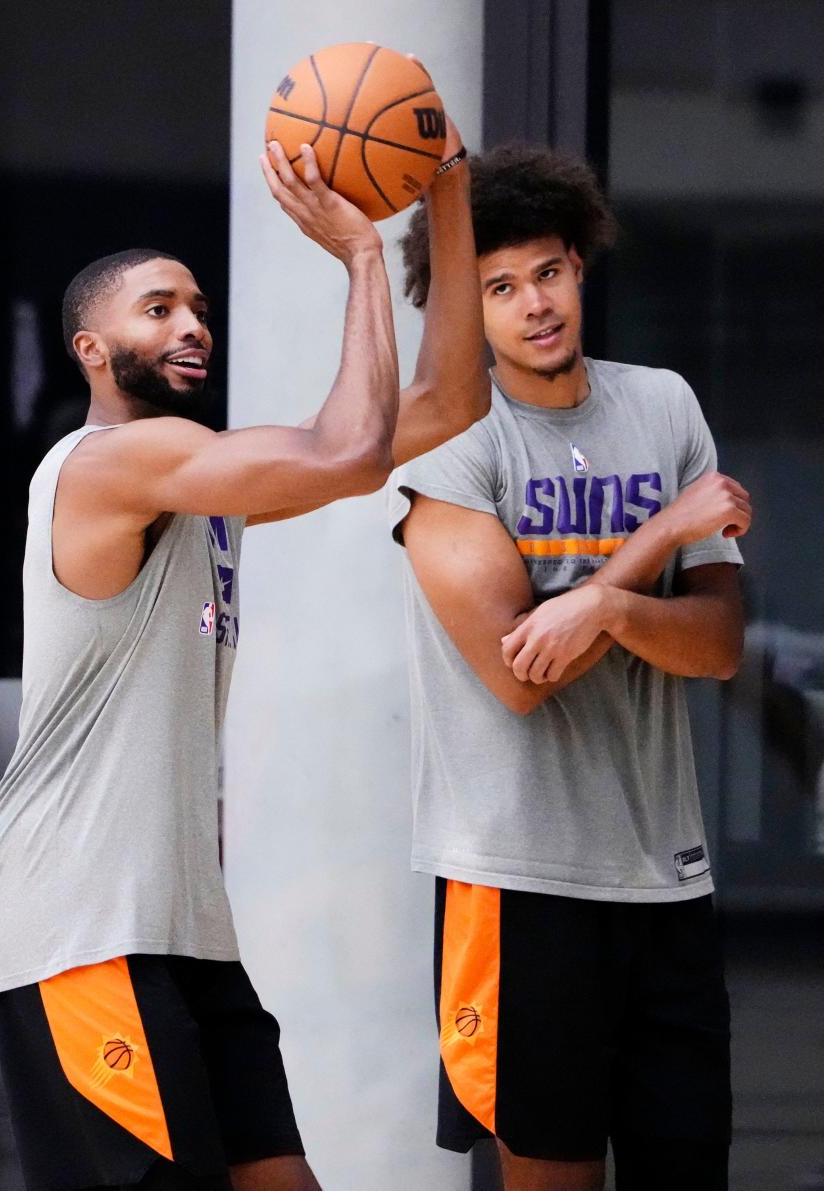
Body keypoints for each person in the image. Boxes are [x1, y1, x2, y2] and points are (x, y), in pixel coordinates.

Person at [0, 118, 488, 1191]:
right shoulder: (115, 461)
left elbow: (453, 403)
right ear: (92, 351)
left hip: (185, 926)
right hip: (77, 918)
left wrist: (447, 190)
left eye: (200, 305)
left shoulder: (205, 485)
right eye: (160, 309)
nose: (194, 322)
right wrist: (356, 255)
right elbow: (348, 453)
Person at [388, 142, 752, 1191]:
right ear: (470, 308)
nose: (532, 304)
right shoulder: (451, 449)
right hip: (519, 882)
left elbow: (718, 644)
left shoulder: (663, 407)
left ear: (581, 267)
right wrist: (644, 560)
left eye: (547, 271)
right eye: (497, 287)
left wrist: (598, 602)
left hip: (667, 878)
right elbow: (520, 671)